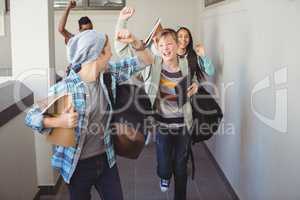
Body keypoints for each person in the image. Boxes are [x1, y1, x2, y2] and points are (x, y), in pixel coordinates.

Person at [25, 29, 153, 200]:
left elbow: (146, 60)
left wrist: (135, 42)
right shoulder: (66, 87)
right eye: (107, 49)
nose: (111, 53)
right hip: (77, 166)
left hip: (107, 159)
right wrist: (58, 122)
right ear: (96, 54)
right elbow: (30, 117)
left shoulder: (108, 75)